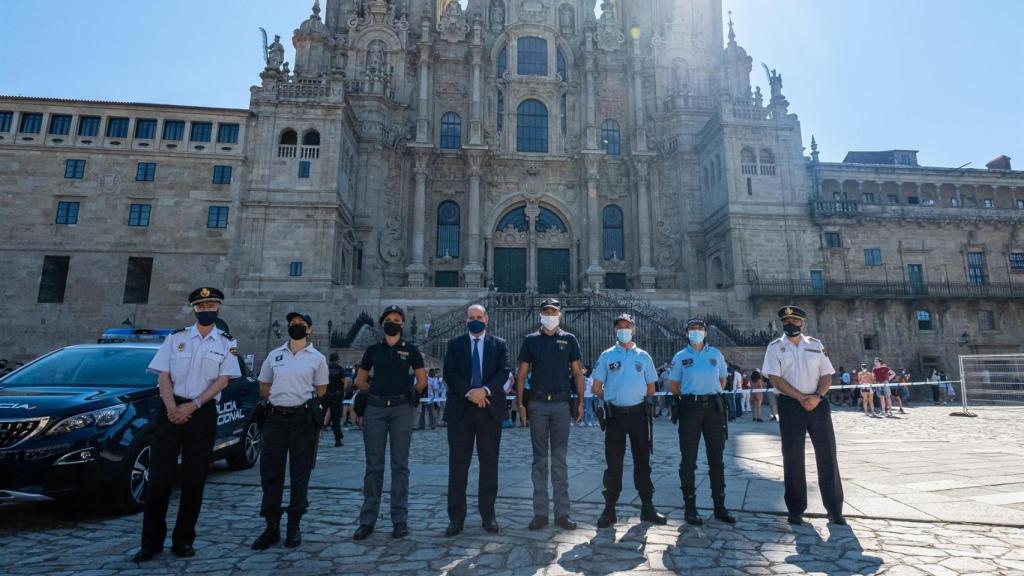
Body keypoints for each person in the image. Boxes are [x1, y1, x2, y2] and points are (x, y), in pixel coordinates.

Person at [133, 287, 241, 562]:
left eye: (211, 305)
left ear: (219, 308)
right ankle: (150, 543)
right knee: (159, 479)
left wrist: (192, 406)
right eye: (201, 306)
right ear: (194, 309)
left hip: (202, 411)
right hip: (171, 410)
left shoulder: (226, 342)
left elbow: (223, 380)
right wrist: (172, 408)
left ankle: (183, 540)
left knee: (194, 479)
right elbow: (163, 375)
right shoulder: (176, 338)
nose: (206, 310)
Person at [761, 305, 845, 526]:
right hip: (790, 405)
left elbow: (826, 375)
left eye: (795, 321)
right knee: (793, 457)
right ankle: (796, 509)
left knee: (827, 454)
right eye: (787, 322)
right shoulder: (775, 347)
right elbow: (775, 379)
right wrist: (800, 397)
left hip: (818, 403)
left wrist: (817, 396)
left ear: (803, 323)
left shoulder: (816, 345)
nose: (791, 324)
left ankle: (835, 509)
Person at [251, 312, 329, 550]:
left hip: (302, 420)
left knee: (299, 474)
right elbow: (264, 385)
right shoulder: (275, 355)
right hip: (275, 419)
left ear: (309, 329)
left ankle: (294, 526)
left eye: (301, 324)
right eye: (293, 324)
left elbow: (322, 390)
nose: (296, 327)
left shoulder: (317, 358)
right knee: (271, 473)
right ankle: (271, 526)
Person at [353, 305, 428, 541]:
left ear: (402, 324)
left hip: (400, 410)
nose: (393, 322)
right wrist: (374, 391)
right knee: (373, 465)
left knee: (400, 465)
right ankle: (367, 520)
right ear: (382, 322)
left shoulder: (411, 350)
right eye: (389, 319)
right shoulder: (373, 350)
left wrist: (408, 395)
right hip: (375, 408)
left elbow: (422, 380)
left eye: (397, 319)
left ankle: (399, 520)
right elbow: (361, 380)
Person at [515, 298, 585, 531]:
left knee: (559, 459)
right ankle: (540, 513)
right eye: (546, 311)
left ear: (560, 314)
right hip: (537, 404)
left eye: (553, 311)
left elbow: (577, 373)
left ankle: (563, 513)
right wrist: (521, 404)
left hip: (561, 404)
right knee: (539, 460)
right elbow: (522, 374)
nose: (549, 314)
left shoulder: (570, 339)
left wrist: (581, 402)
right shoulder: (531, 340)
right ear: (540, 314)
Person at [592, 314, 667, 528]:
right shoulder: (607, 356)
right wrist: (612, 397)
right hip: (615, 416)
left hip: (638, 416)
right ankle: (609, 509)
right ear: (615, 330)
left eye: (627, 326)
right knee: (613, 464)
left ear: (633, 329)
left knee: (642, 462)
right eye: (619, 327)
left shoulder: (643, 356)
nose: (623, 330)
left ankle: (647, 507)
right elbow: (596, 387)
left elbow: (651, 387)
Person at [442, 304, 510, 537]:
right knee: (457, 466)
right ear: (465, 320)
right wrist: (470, 392)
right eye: (471, 317)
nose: (475, 320)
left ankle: (488, 515)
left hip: (488, 409)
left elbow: (503, 372)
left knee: (489, 465)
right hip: (461, 409)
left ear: (487, 319)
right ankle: (456, 517)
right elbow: (449, 373)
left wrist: (485, 391)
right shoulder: (455, 344)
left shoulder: (498, 344)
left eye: (479, 317)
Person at [668, 317, 735, 525]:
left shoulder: (716, 354)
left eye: (699, 328)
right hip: (690, 409)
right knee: (688, 460)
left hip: (714, 409)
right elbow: (674, 385)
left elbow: (723, 380)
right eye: (692, 329)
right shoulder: (680, 357)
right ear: (686, 333)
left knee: (717, 459)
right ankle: (690, 508)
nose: (696, 331)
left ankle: (719, 506)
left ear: (706, 333)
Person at [324, 353, 346, 447]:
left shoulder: (325, 368)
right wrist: (343, 391)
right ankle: (338, 440)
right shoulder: (340, 369)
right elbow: (344, 381)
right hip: (336, 395)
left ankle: (313, 437)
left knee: (320, 415)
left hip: (325, 394)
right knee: (336, 418)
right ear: (337, 360)